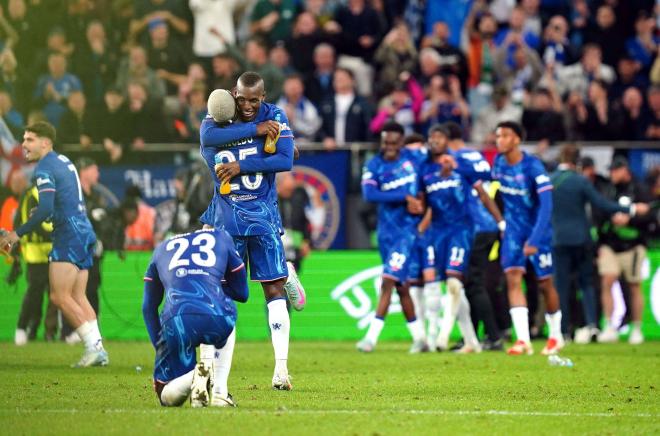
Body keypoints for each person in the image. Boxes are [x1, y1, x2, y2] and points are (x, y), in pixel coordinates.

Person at [199, 72, 305, 390]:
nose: (247, 106)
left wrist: (243, 164)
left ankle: (281, 369)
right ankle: (211, 374)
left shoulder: (274, 115)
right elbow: (207, 137)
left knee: (273, 292)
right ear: (234, 94)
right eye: (242, 99)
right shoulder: (220, 116)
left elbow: (287, 160)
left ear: (263, 97)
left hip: (262, 218)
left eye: (254, 101)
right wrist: (258, 132)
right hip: (228, 220)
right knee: (220, 297)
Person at [0, 121, 107, 367]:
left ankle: (93, 348)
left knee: (59, 296)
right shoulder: (64, 160)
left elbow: (46, 207)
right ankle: (98, 348)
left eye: (29, 140)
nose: (23, 145)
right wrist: (49, 213)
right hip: (83, 230)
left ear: (45, 142)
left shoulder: (44, 168)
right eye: (24, 139)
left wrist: (16, 234)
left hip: (68, 234)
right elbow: (62, 202)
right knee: (78, 296)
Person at [550, 146, 646, 343]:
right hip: (582, 239)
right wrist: (631, 209)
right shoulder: (581, 181)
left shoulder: (550, 180)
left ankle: (563, 331)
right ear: (577, 162)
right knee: (587, 284)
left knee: (561, 286)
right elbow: (602, 204)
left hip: (558, 239)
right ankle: (592, 325)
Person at [143, 228, 247, 408]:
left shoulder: (160, 248)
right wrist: (213, 287)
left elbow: (148, 308)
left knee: (165, 394)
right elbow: (242, 293)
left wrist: (161, 348)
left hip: (175, 322)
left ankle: (194, 376)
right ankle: (219, 392)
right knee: (225, 309)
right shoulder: (221, 236)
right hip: (216, 316)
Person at [421, 126, 503, 353]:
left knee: (465, 282)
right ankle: (472, 340)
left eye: (440, 138)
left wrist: (500, 222)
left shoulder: (461, 161)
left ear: (449, 141)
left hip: (473, 229)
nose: (435, 142)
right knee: (467, 284)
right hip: (457, 232)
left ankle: (452, 336)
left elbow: (485, 181)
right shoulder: (426, 169)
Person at [491, 120, 563, 356]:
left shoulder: (532, 166)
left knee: (545, 283)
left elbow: (546, 205)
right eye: (498, 136)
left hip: (537, 231)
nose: (500, 140)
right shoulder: (498, 164)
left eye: (505, 135)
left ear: (517, 139)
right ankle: (523, 340)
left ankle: (556, 336)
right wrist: (502, 223)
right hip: (513, 231)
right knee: (513, 279)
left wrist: (535, 239)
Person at [357, 121, 427, 354]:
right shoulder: (374, 164)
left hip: (407, 231)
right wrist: (404, 196)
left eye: (394, 143)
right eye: (386, 142)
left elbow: (429, 178)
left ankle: (370, 339)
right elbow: (369, 194)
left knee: (387, 280)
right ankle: (420, 339)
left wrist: (421, 201)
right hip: (386, 232)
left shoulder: (414, 159)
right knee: (401, 286)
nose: (389, 147)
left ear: (401, 143)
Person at [596, 157, 654, 344]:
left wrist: (630, 219)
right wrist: (610, 220)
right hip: (610, 244)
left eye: (615, 170)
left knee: (634, 285)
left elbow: (651, 216)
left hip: (633, 245)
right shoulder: (608, 189)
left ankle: (636, 328)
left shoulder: (640, 189)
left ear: (624, 170)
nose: (612, 174)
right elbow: (599, 211)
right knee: (608, 279)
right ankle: (609, 326)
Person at [13, 182, 56, 344]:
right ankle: (22, 327)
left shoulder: (50, 192)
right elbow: (32, 222)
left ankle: (44, 332)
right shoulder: (32, 194)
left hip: (52, 250)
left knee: (55, 294)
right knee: (35, 293)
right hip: (35, 252)